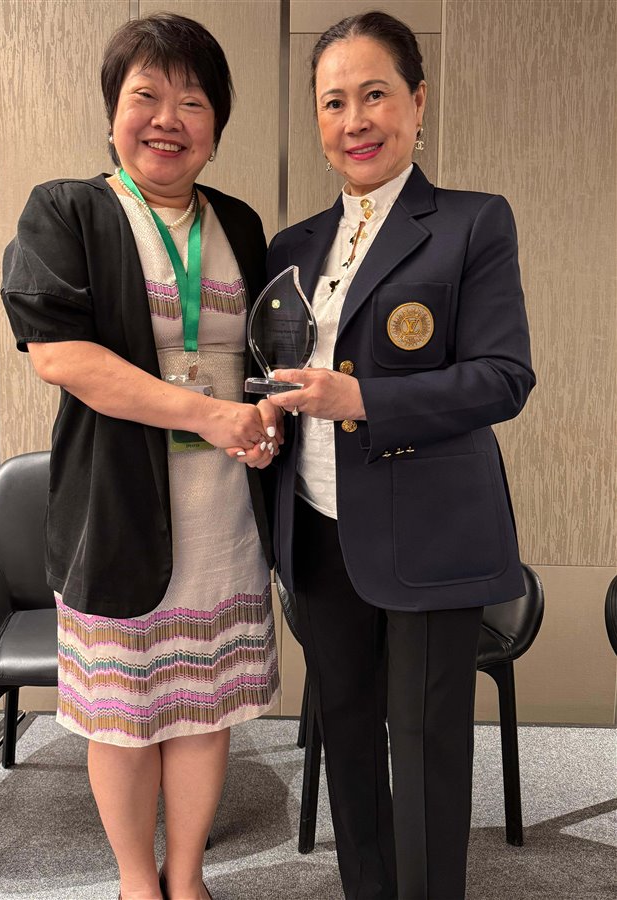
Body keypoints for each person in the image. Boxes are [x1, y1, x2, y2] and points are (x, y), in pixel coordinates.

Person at [1, 13, 282, 900]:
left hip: (225, 520)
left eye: (192, 102)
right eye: (146, 96)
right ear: (112, 112)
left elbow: (264, 357)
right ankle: (134, 882)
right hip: (115, 514)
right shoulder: (68, 211)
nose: (168, 119)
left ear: (216, 124)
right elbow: (63, 358)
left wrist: (262, 419)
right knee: (123, 720)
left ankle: (186, 876)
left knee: (203, 709)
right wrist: (208, 413)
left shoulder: (238, 223)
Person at [265, 11, 535, 900]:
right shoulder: (292, 247)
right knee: (345, 735)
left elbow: (501, 377)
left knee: (422, 748)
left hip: (427, 535)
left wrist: (363, 400)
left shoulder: (469, 224)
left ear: (417, 103)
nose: (355, 121)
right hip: (317, 533)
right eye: (332, 102)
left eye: (374, 94)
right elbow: (277, 373)